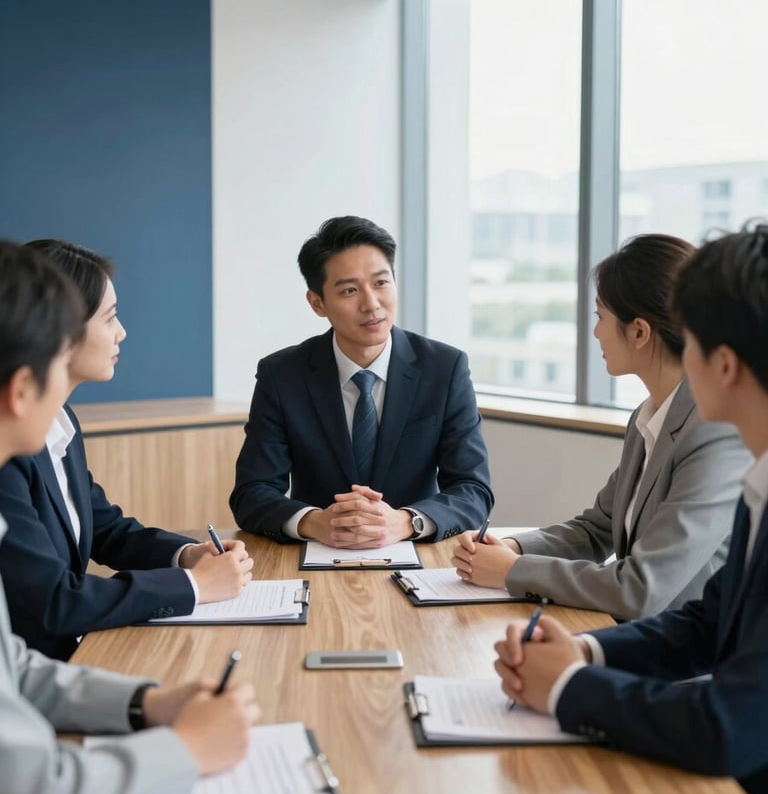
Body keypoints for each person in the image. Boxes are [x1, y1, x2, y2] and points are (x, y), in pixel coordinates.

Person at [494, 223, 768, 794]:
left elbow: (730, 726)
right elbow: (706, 623)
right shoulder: (759, 480)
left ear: (722, 363)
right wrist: (586, 652)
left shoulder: (726, 449)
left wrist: (567, 686)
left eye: (688, 334)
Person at [0, 240, 260, 794]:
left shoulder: (57, 429)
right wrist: (188, 750)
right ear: (21, 388)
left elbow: (13, 668)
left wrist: (149, 703)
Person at [452, 233, 749, 619]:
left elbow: (640, 588)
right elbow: (598, 528)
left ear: (639, 332)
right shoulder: (650, 414)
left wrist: (512, 572)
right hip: (636, 639)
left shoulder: (715, 432)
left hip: (686, 665)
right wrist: (513, 549)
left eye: (600, 316)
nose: (595, 333)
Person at [0, 240, 253, 660]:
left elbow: (104, 528)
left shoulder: (61, 423)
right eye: (110, 318)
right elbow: (52, 600)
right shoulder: (11, 452)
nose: (122, 332)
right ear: (62, 330)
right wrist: (195, 587)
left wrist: (187, 556)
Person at [230, 216, 493, 547]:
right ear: (317, 303)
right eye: (350, 290)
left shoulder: (445, 368)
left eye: (381, 283)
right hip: (319, 553)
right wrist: (313, 522)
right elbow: (251, 493)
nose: (371, 304)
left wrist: (406, 521)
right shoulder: (282, 375)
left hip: (417, 556)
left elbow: (473, 490)